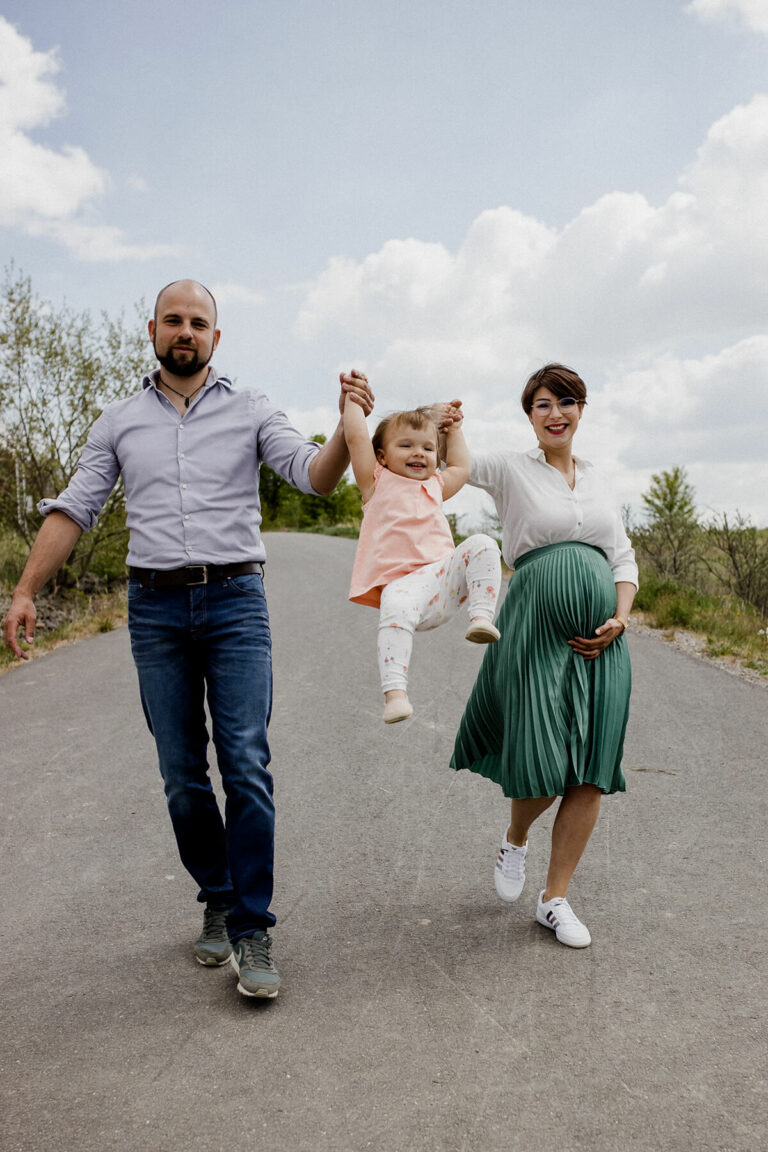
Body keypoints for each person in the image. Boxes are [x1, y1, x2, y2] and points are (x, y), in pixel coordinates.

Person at [2, 279, 373, 999]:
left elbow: (314, 477)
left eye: (198, 322)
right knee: (180, 772)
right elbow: (75, 506)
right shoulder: (117, 421)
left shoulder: (252, 408)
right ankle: (219, 894)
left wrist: (347, 423)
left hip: (236, 602)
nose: (186, 332)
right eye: (174, 320)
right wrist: (24, 590)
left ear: (216, 337)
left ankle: (253, 925)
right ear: (151, 330)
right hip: (155, 610)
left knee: (245, 762)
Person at [447, 363, 637, 948]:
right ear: (529, 416)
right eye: (543, 405)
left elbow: (622, 558)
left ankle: (554, 899)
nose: (556, 413)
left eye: (567, 402)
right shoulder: (509, 469)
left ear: (582, 410)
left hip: (603, 639)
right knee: (545, 757)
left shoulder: (602, 479)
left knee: (591, 768)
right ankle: (516, 836)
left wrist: (621, 618)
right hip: (533, 624)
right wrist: (448, 424)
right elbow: (457, 468)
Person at [344, 395, 502, 723]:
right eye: (406, 445)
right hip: (404, 590)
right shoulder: (376, 483)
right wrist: (352, 401)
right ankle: (395, 694)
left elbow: (461, 466)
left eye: (428, 448)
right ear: (382, 457)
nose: (419, 453)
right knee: (395, 603)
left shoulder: (436, 485)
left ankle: (481, 617)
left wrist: (454, 430)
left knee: (484, 543)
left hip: (442, 580)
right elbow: (356, 438)